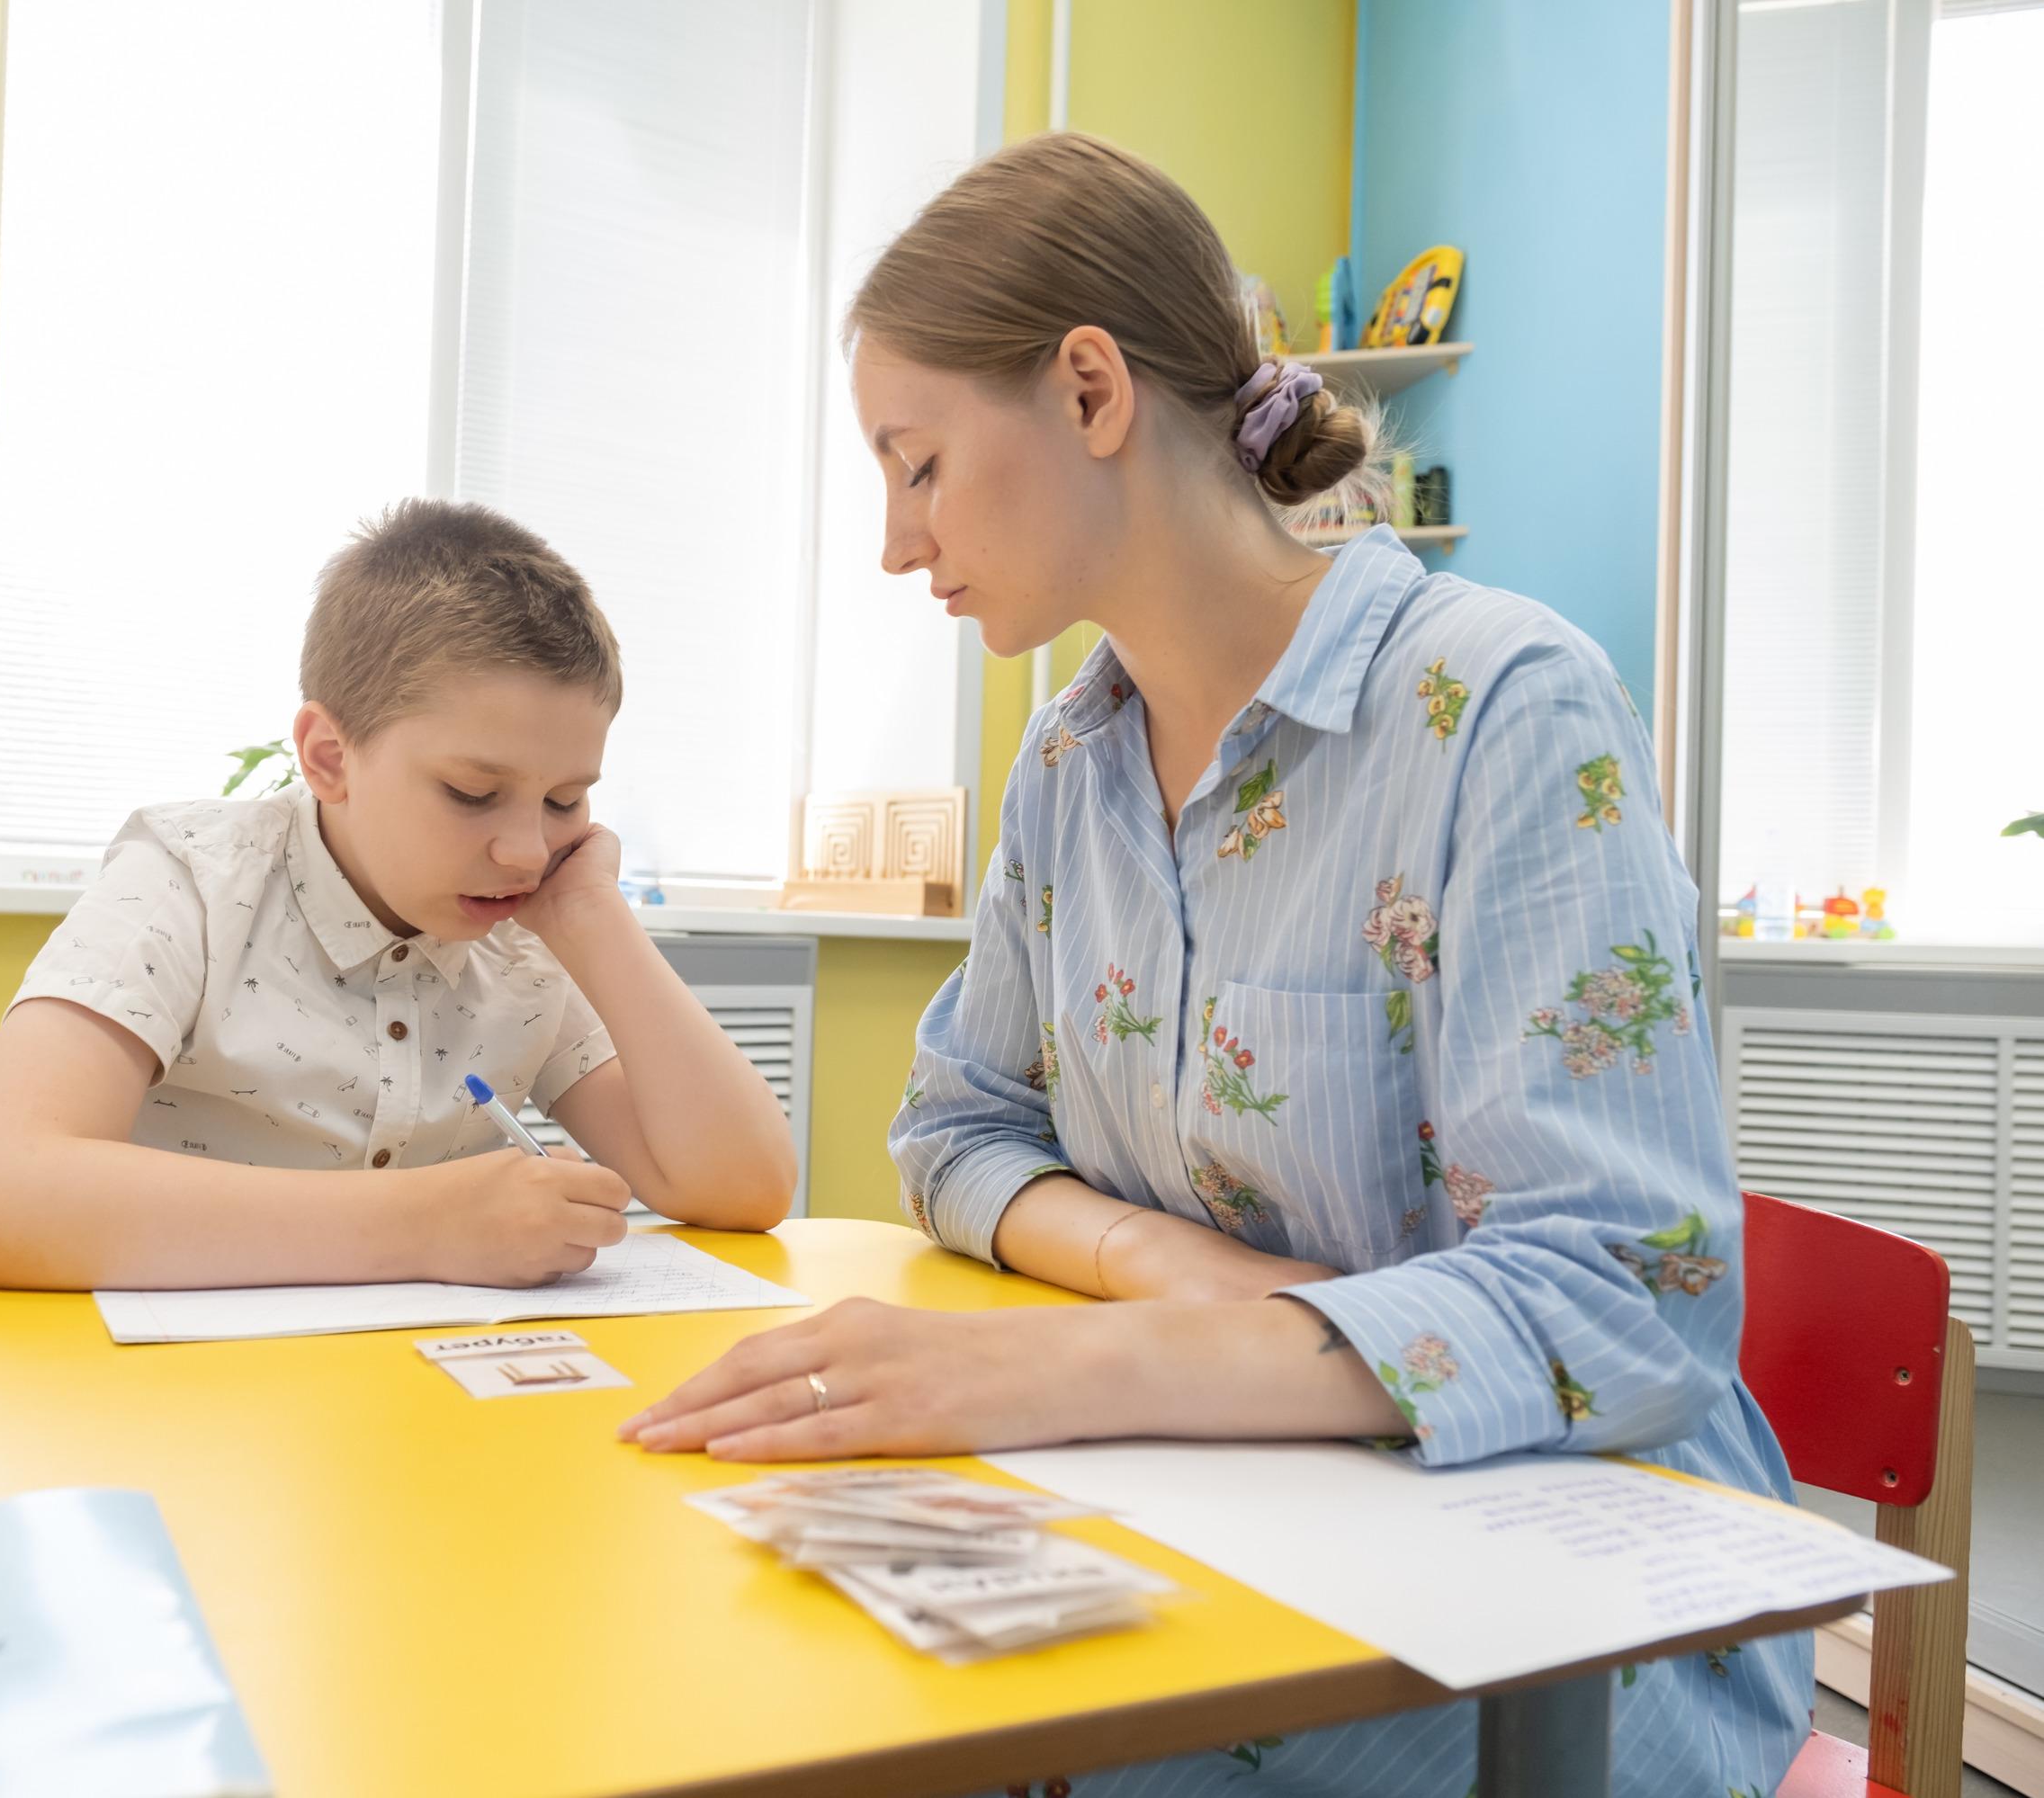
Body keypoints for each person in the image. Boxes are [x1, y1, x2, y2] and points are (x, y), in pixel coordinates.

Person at [621, 134, 1809, 1795]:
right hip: (1218, 1511)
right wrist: (1162, 1267)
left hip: (1556, 1612)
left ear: (1090, 389)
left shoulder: (1499, 709)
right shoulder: (1067, 760)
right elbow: (954, 1132)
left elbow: (1620, 1299)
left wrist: (1066, 1362)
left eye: (917, 464)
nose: (897, 543)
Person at [0, 499, 795, 1291]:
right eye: (471, 792)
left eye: (565, 798)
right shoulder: (190, 881)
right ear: (327, 756)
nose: (530, 848)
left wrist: (594, 919)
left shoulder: (527, 931)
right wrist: (429, 1225)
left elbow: (745, 1187)